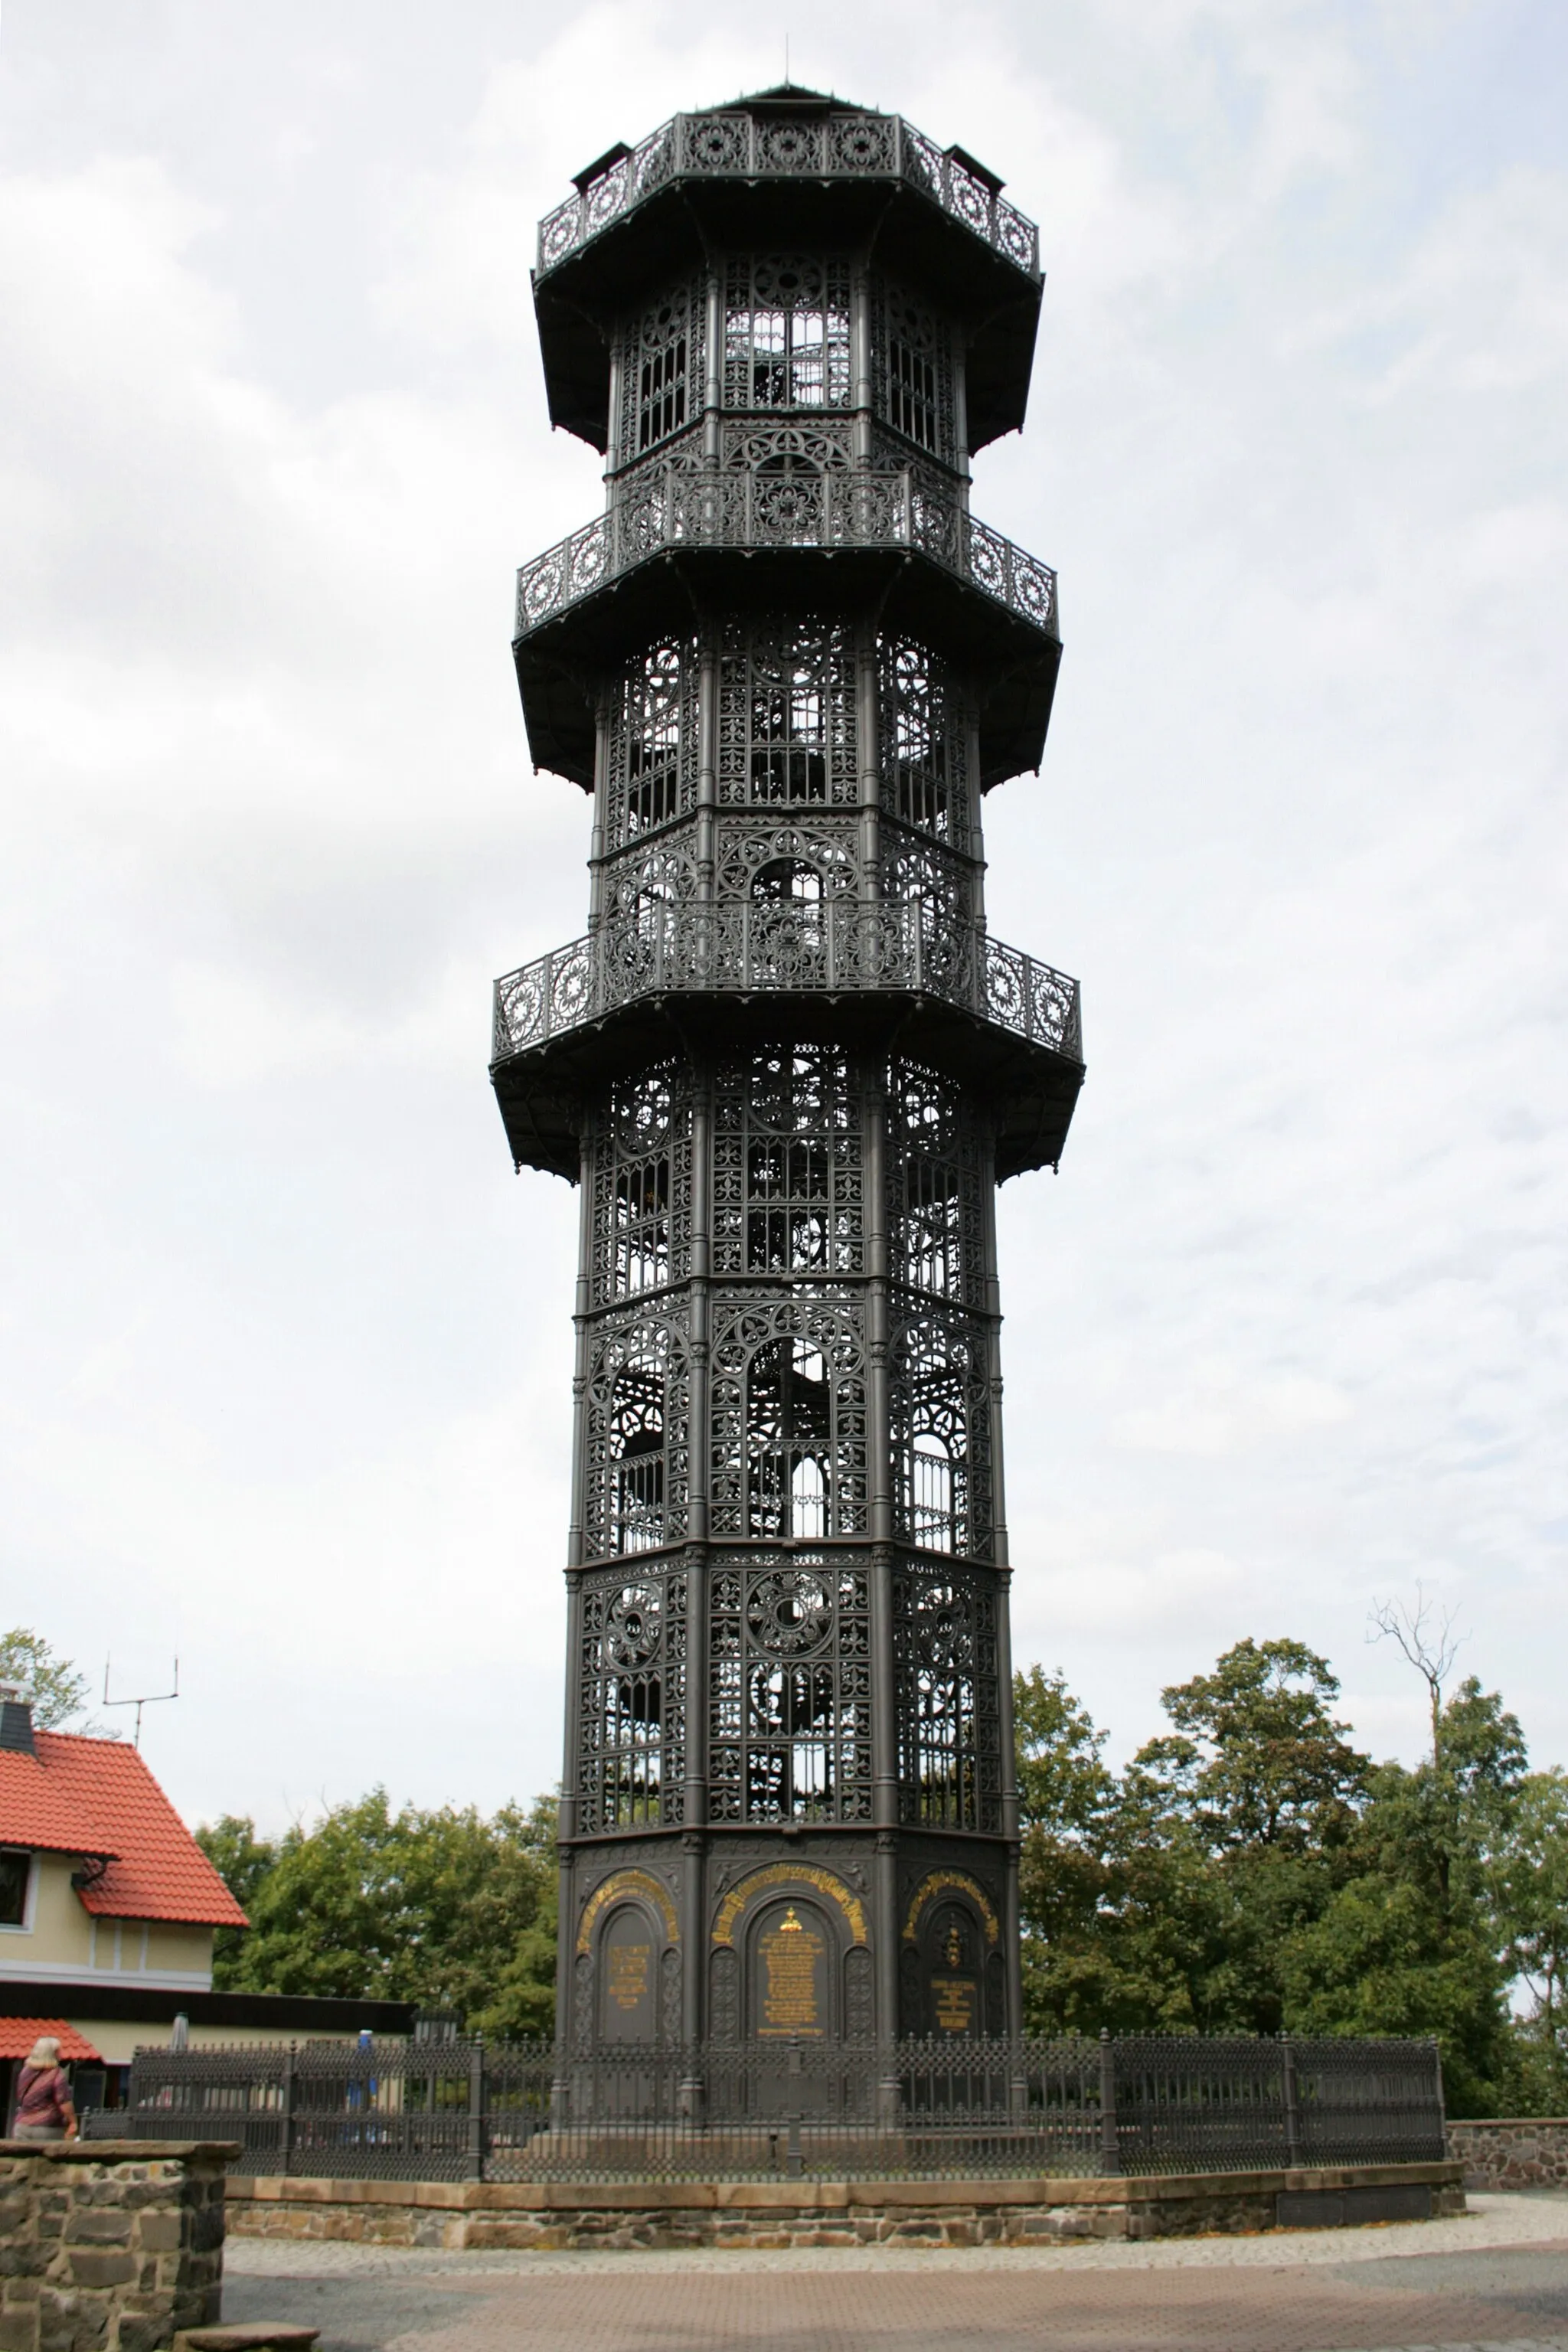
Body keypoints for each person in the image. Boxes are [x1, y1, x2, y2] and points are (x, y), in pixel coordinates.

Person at [13, 2037, 77, 2141]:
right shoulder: (56, 2074)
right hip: (47, 2128)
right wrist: (73, 2122)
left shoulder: (25, 2071)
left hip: (21, 2126)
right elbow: (64, 2102)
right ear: (53, 2053)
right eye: (58, 2051)